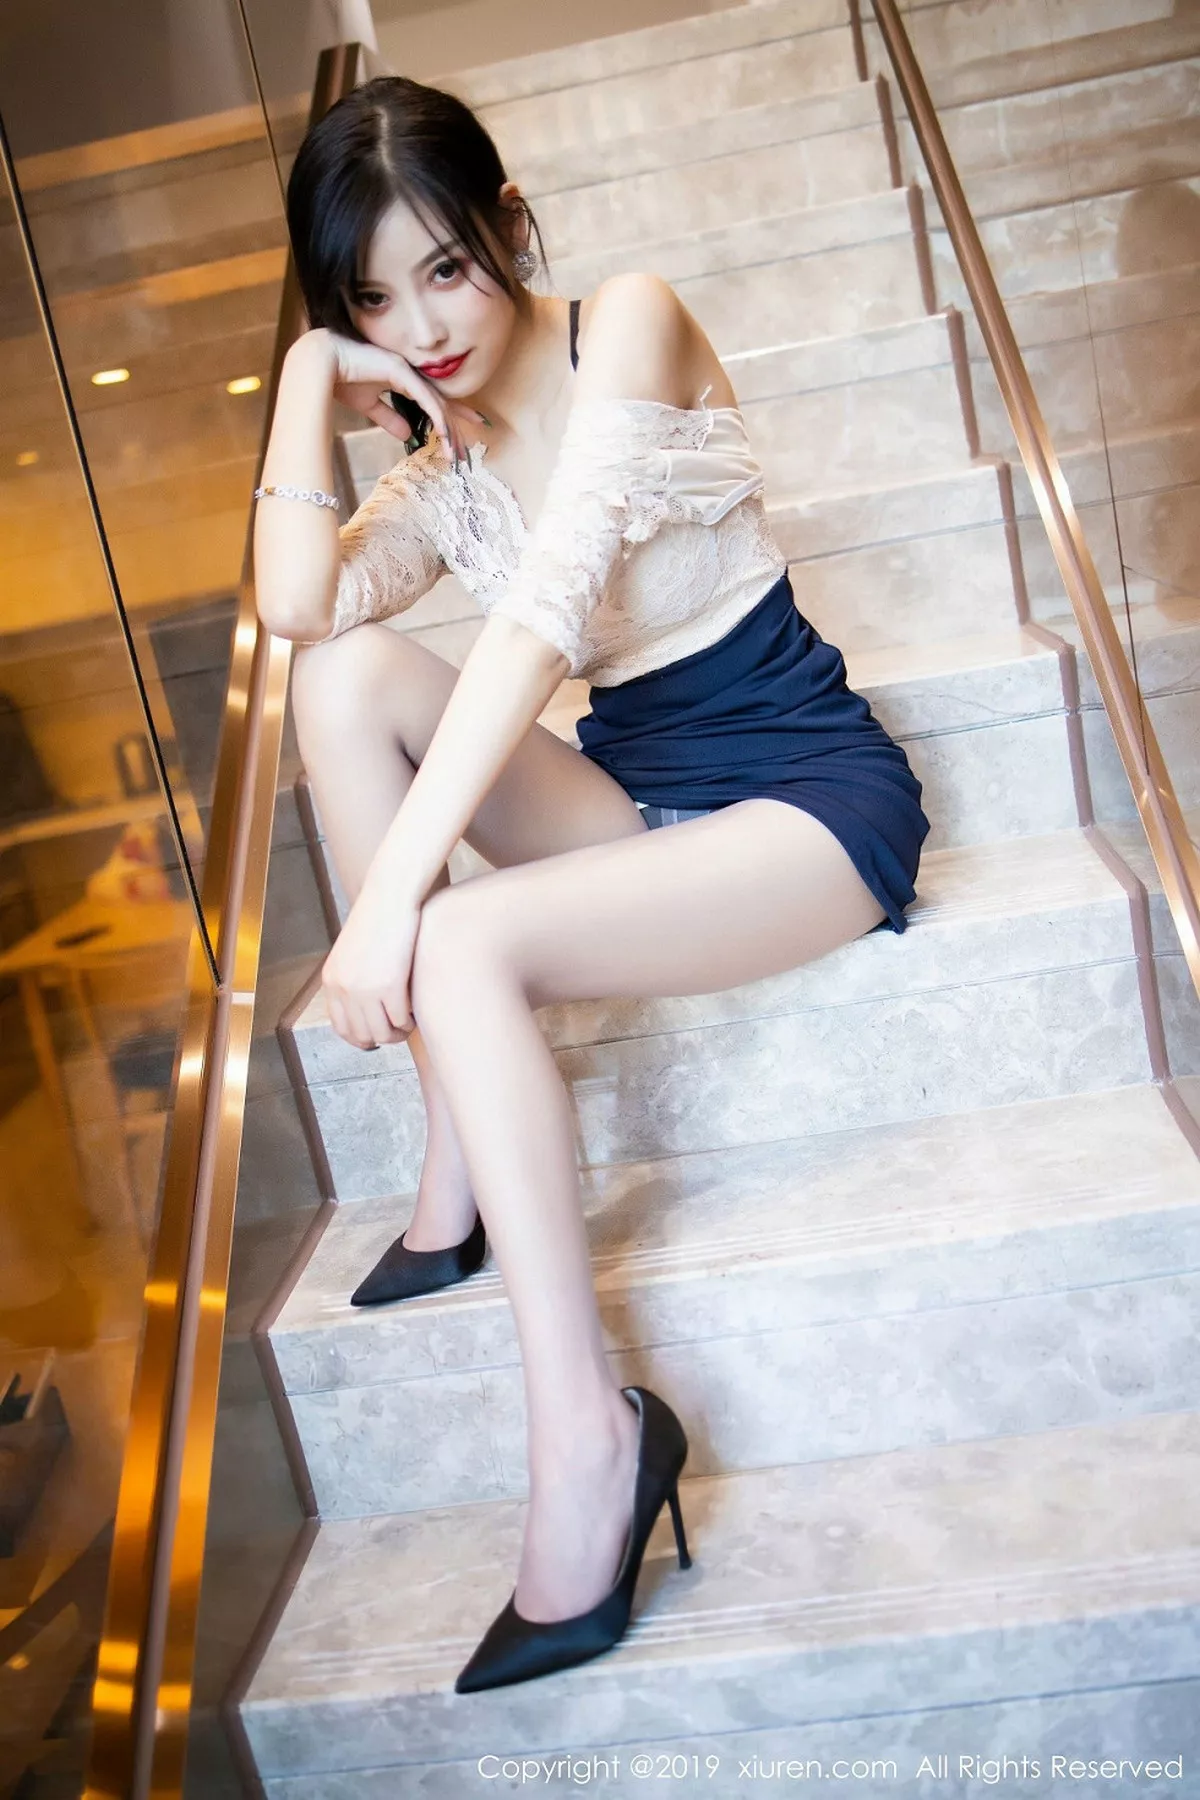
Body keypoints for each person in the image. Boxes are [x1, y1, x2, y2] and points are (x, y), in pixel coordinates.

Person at [252, 74, 931, 1696]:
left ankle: (590, 1440)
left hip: (799, 800)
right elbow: (299, 605)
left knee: (457, 938)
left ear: (510, 227)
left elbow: (545, 617)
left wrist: (386, 913)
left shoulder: (626, 321)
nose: (421, 327)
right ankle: (458, 1136)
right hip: (638, 803)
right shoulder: (440, 465)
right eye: (371, 301)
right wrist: (300, 384)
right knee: (338, 681)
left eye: (445, 269)